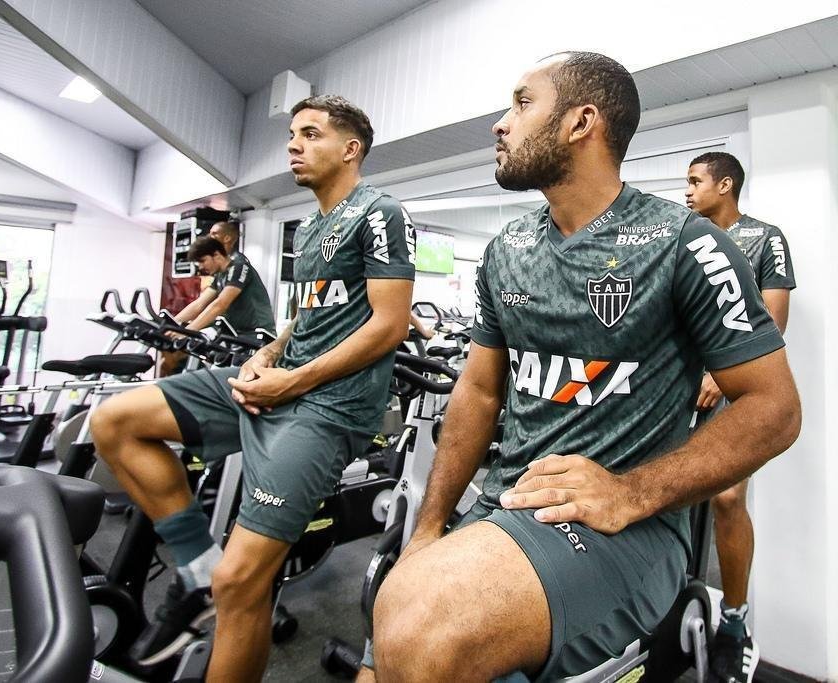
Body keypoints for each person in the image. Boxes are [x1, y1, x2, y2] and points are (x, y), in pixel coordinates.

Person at [365, 52, 801, 683]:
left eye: (520, 103)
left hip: (624, 530)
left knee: (420, 626)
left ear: (581, 122)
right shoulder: (506, 249)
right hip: (504, 503)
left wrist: (633, 492)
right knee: (389, 631)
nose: (499, 124)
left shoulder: (686, 243)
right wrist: (428, 528)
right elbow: (480, 393)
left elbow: (775, 409)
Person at [90, 94, 416, 681]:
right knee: (115, 421)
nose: (293, 144)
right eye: (292, 133)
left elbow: (389, 324)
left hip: (326, 409)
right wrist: (268, 353)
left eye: (310, 134)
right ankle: (195, 568)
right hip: (278, 380)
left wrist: (292, 380)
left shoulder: (380, 212)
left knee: (242, 583)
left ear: (351, 149)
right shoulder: (314, 225)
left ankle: (221, 585)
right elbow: (312, 313)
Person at [685, 150, 797, 682]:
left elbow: (772, 321)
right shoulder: (687, 235)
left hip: (735, 388)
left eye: (695, 182)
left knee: (727, 496)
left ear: (725, 185)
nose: (686, 192)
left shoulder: (765, 237)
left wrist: (718, 375)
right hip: (681, 387)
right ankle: (662, 599)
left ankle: (734, 621)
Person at [159, 226, 275, 375]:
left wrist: (188, 331)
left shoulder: (239, 267)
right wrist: (172, 324)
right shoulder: (220, 275)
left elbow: (220, 304)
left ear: (217, 255)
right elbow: (199, 304)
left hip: (257, 336)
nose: (201, 266)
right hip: (235, 335)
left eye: (202, 261)